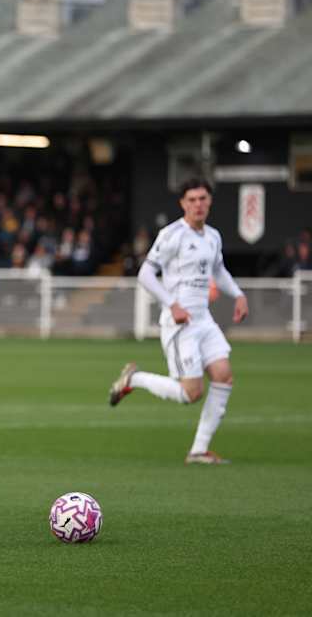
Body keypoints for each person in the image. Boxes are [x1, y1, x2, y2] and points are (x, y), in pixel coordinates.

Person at [108, 178, 248, 465]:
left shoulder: (213, 236)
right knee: (191, 393)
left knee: (223, 375)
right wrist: (172, 304)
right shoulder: (172, 235)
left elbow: (218, 270)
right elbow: (145, 274)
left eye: (203, 199)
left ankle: (198, 451)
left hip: (203, 320)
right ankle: (134, 379)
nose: (198, 204)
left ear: (209, 201)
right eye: (192, 200)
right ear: (183, 203)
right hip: (180, 324)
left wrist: (238, 294)